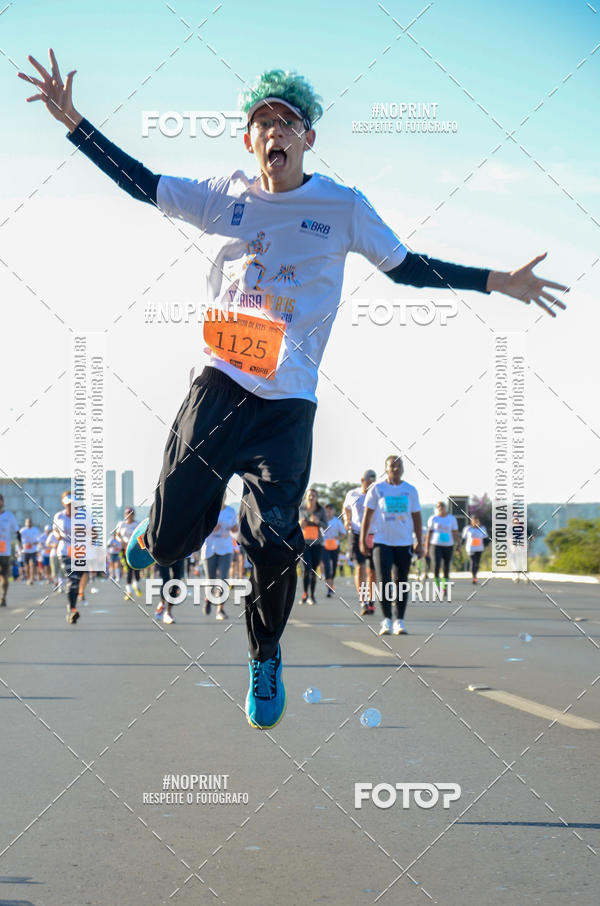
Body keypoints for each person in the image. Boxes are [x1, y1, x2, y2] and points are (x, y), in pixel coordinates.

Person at [20, 53, 568, 728]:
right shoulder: (225, 195)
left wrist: (494, 280)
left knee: (273, 540)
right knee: (167, 544)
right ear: (248, 141)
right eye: (262, 122)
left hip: (289, 407)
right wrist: (74, 122)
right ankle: (156, 536)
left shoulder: (341, 206)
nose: (274, 131)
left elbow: (405, 269)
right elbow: (143, 183)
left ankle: (264, 654)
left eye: (288, 122)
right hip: (220, 385)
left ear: (309, 139)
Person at [360, 456, 422, 635]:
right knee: (384, 581)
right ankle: (386, 619)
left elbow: (417, 518)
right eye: (391, 466)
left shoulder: (410, 490)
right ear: (386, 469)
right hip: (382, 542)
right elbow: (367, 516)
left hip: (404, 542)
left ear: (402, 469)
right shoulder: (378, 489)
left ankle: (399, 620)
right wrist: (364, 540)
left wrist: (419, 541)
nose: (395, 469)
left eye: (398, 466)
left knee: (401, 581)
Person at [343, 470, 377, 615]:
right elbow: (346, 508)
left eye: (373, 483)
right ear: (362, 480)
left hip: (374, 534)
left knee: (373, 571)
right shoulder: (353, 494)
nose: (371, 485)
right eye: (369, 482)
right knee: (360, 568)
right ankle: (363, 601)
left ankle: (371, 599)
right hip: (357, 534)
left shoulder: (377, 494)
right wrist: (347, 520)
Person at [201, 497, 238, 621]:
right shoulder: (208, 510)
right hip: (209, 549)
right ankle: (208, 598)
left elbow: (236, 528)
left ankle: (220, 609)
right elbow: (200, 529)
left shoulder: (231, 511)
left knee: (223, 578)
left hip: (226, 548)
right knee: (210, 579)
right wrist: (211, 528)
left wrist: (234, 529)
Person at [52, 491, 84, 623]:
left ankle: (72, 607)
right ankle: (72, 610)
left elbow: (92, 532)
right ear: (64, 504)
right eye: (68, 504)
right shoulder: (59, 516)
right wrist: (57, 535)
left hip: (79, 551)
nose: (70, 507)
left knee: (76, 581)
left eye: (72, 504)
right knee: (72, 579)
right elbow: (55, 530)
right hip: (64, 550)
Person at [298, 488, 328, 605]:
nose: (311, 497)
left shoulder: (321, 511)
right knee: (306, 568)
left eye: (313, 496)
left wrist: (317, 522)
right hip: (304, 544)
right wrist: (300, 524)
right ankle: (305, 594)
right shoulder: (300, 509)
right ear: (306, 497)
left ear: (316, 498)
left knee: (314, 570)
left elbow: (325, 526)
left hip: (317, 544)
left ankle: (312, 595)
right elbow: (293, 523)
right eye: (309, 495)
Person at [425, 502, 460, 599]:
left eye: (442, 507)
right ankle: (437, 588)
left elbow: (455, 532)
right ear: (437, 509)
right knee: (436, 566)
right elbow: (429, 534)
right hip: (435, 545)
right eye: (439, 507)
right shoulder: (433, 519)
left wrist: (458, 544)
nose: (441, 508)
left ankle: (444, 588)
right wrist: (427, 548)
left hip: (448, 545)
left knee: (446, 567)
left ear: (446, 508)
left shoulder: (451, 519)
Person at [116, 507, 142, 600]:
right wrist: (121, 540)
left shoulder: (137, 524)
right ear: (125, 515)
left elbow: (141, 535)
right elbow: (117, 535)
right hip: (124, 549)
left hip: (135, 549)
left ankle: (136, 585)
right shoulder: (121, 524)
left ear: (133, 514)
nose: (129, 515)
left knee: (137, 568)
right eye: (127, 513)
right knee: (128, 569)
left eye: (131, 513)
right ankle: (129, 591)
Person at [322, 503, 346, 597]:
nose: (328, 513)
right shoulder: (322, 521)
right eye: (326, 511)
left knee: (334, 567)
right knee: (327, 566)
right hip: (324, 546)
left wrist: (337, 537)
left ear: (333, 511)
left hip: (335, 546)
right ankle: (329, 588)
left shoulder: (337, 521)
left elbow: (343, 534)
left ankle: (331, 582)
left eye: (330, 511)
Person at [0, 494, 19, 607]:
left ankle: (3, 597)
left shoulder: (9, 516)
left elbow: (17, 531)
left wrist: (20, 545)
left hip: (4, 552)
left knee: (4, 576)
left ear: (3, 502)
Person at [462, 516, 488, 584]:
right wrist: (459, 546)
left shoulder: (482, 528)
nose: (476, 522)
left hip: (479, 548)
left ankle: (475, 575)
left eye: (477, 521)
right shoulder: (467, 529)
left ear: (479, 522)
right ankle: (474, 577)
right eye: (474, 521)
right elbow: (463, 539)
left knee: (477, 563)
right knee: (473, 562)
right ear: (472, 521)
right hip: (470, 548)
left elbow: (485, 539)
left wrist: (487, 546)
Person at [20, 517, 41, 585]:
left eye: (30, 522)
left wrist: (33, 543)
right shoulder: (22, 530)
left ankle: (31, 579)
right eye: (27, 522)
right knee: (27, 566)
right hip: (25, 551)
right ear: (25, 523)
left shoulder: (36, 530)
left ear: (32, 523)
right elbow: (19, 540)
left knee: (32, 565)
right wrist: (21, 546)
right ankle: (28, 578)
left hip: (33, 551)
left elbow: (39, 540)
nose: (28, 523)